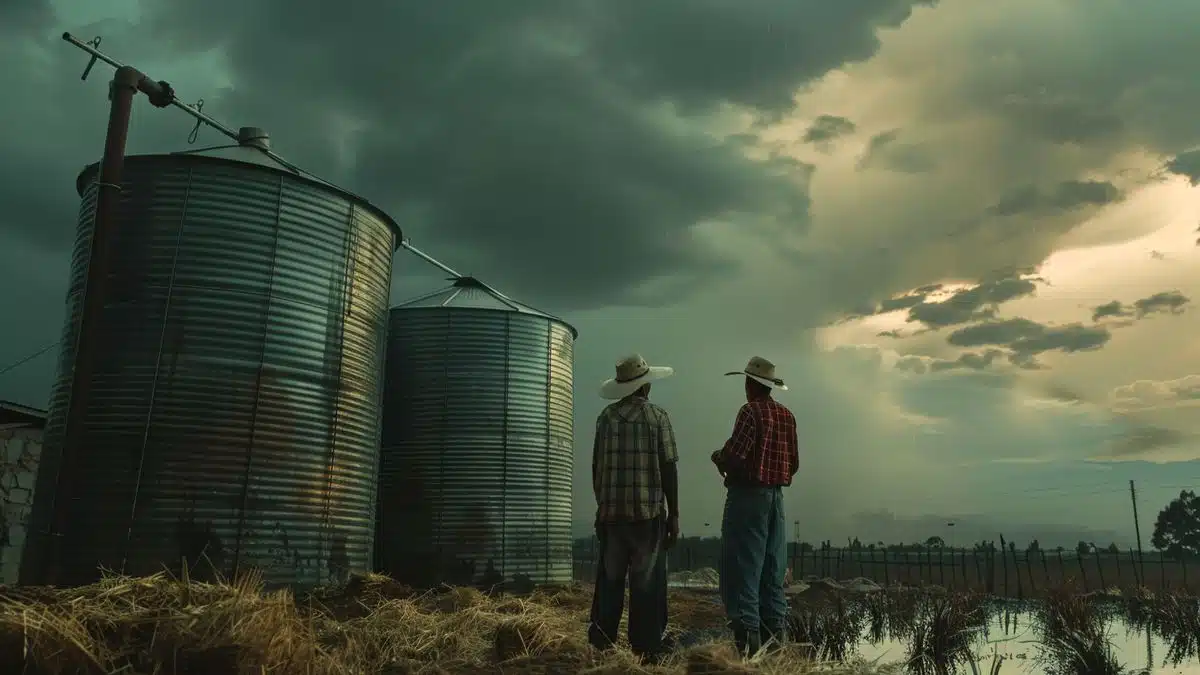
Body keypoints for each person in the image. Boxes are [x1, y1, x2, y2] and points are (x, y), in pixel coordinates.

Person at [588, 353, 680, 663]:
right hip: (646, 517)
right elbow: (668, 468)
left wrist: (602, 508)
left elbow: (597, 468)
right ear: (644, 388)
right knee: (645, 584)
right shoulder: (658, 418)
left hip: (612, 518)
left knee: (610, 581)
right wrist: (674, 514)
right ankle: (646, 648)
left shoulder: (605, 418)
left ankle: (602, 644)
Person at [711, 356, 799, 657]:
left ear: (750, 384)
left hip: (749, 497)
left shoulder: (749, 412)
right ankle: (776, 645)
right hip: (776, 498)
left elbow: (735, 455)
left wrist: (719, 457)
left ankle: (747, 645)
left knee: (744, 569)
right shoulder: (787, 416)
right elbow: (794, 464)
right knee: (772, 573)